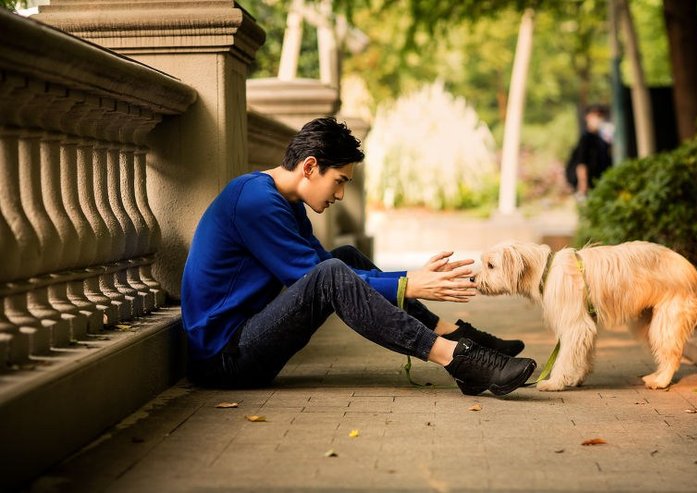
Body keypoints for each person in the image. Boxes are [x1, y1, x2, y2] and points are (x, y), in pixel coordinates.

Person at [181, 117, 536, 396]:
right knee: (333, 272)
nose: (340, 193)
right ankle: (458, 359)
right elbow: (315, 277)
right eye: (338, 180)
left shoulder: (285, 202)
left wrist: (408, 282)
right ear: (309, 167)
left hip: (246, 342)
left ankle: (455, 335)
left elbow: (329, 269)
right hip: (225, 359)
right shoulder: (254, 201)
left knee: (346, 257)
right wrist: (408, 284)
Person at [565, 104, 613, 199]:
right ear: (588, 117)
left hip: (599, 183)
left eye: (600, 116)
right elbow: (581, 163)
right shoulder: (585, 139)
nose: (599, 119)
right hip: (589, 186)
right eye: (596, 116)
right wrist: (583, 185)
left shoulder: (602, 140)